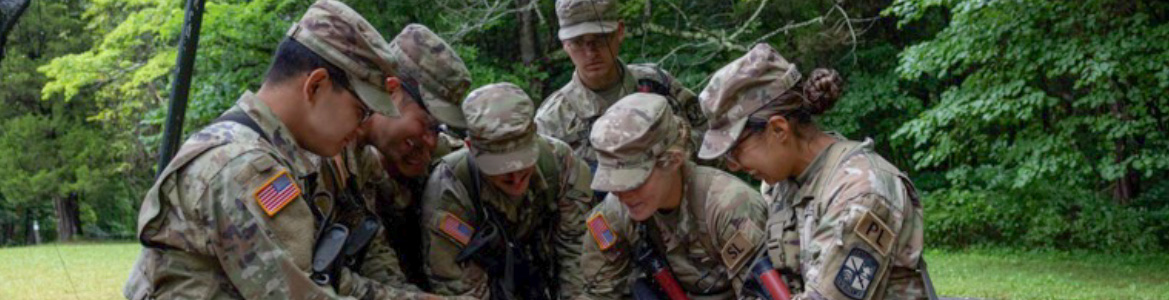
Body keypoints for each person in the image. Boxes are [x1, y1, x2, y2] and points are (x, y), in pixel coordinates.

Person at [123, 1, 411, 299]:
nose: (361, 126)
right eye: (360, 111)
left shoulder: (260, 151)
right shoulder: (246, 166)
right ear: (316, 86)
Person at [697, 43, 930, 300]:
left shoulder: (862, 191)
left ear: (778, 129)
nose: (733, 165)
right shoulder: (779, 187)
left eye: (735, 149)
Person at [315, 23, 472, 292]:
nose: (431, 142)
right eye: (428, 125)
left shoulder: (362, 156)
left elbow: (377, 259)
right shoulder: (324, 153)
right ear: (392, 90)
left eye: (439, 130)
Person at [577, 93, 768, 300]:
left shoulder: (730, 206)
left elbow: (760, 292)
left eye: (633, 181)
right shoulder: (614, 214)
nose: (622, 195)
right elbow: (598, 293)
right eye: (612, 184)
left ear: (673, 160)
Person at [421, 83, 594, 299]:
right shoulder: (450, 187)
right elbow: (457, 286)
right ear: (470, 147)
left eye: (524, 162)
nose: (516, 177)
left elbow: (577, 253)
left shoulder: (560, 163)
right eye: (500, 167)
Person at [535, 0, 707, 174]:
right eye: (578, 42)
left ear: (619, 31)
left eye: (601, 38)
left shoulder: (656, 83)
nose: (591, 52)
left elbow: (707, 140)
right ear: (564, 44)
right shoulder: (552, 120)